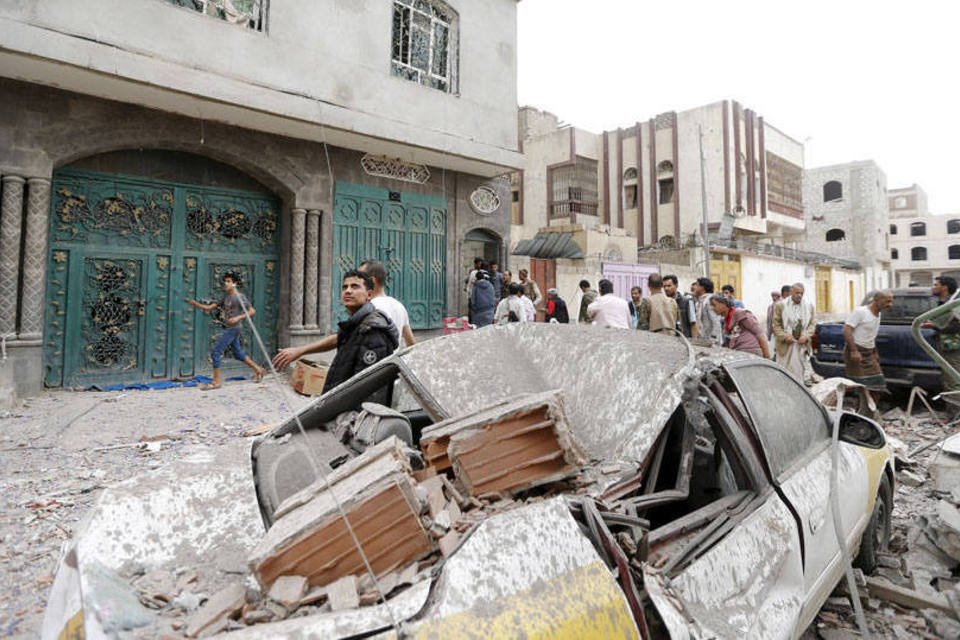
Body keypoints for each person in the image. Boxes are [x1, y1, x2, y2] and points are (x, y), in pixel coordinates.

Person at [188, 271, 265, 390]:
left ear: (234, 283)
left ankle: (216, 381)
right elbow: (210, 307)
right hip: (229, 327)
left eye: (229, 281)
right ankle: (258, 369)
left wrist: (238, 317)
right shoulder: (226, 297)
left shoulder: (239, 297)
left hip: (234, 328)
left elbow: (252, 311)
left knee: (216, 352)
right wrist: (196, 304)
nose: (226, 283)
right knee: (238, 354)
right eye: (225, 281)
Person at [843, 290, 895, 395]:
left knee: (878, 385)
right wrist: (854, 351)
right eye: (887, 302)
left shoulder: (878, 314)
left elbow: (871, 335)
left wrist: (875, 352)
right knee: (859, 387)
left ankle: (869, 410)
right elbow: (847, 330)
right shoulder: (861, 312)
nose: (890, 305)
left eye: (891, 302)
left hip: (869, 353)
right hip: (856, 352)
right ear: (877, 300)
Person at [359, 259, 415, 349]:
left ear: (372, 281)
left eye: (360, 278)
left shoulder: (370, 308)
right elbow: (411, 345)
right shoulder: (399, 306)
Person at [922, 276, 960, 405]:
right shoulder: (942, 303)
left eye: (936, 284)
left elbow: (956, 326)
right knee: (948, 379)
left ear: (945, 287)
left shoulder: (953, 303)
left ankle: (955, 416)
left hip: (953, 346)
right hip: (945, 345)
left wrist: (934, 326)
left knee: (953, 380)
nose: (933, 287)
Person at [772, 283, 815, 381]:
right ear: (791, 292)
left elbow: (812, 324)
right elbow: (776, 325)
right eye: (797, 293)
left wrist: (806, 335)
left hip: (801, 346)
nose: (799, 295)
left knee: (798, 375)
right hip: (785, 346)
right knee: (784, 374)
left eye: (801, 293)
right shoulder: (781, 305)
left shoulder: (809, 306)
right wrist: (785, 336)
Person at [692, 277, 723, 346]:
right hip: (703, 339)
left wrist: (713, 340)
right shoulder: (700, 302)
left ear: (702, 287)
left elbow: (716, 321)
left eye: (697, 285)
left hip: (712, 342)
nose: (694, 287)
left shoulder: (710, 301)